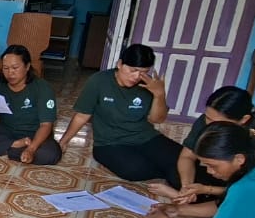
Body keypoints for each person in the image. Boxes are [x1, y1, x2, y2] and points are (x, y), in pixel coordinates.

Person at [58, 43, 181, 187]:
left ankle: (174, 176)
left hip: (145, 136)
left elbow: (157, 119)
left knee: (182, 159)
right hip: (109, 143)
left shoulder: (148, 85)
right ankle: (167, 172)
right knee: (135, 170)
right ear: (120, 64)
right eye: (133, 70)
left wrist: (159, 95)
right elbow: (82, 116)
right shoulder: (99, 81)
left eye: (143, 72)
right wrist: (64, 141)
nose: (137, 76)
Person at [149, 86, 255, 204]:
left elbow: (252, 188)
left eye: (216, 121)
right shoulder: (207, 122)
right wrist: (187, 187)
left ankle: (210, 203)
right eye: (207, 117)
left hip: (250, 187)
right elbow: (187, 156)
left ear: (243, 119)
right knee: (176, 171)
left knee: (238, 201)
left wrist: (206, 189)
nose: (209, 124)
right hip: (224, 176)